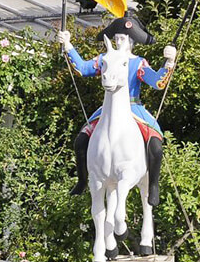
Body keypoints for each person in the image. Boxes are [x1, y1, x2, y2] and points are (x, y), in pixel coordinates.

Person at [58, 16, 176, 206]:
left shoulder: (138, 63)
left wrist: (168, 62)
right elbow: (82, 68)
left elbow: (157, 82)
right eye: (117, 38)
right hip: (108, 107)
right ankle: (82, 180)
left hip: (134, 107)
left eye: (123, 39)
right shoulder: (105, 58)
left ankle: (153, 185)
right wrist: (68, 45)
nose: (119, 42)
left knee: (155, 144)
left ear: (131, 42)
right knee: (81, 140)